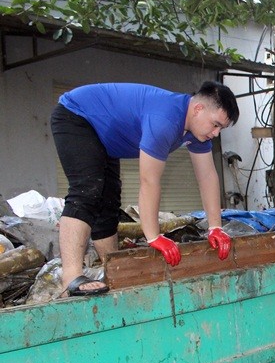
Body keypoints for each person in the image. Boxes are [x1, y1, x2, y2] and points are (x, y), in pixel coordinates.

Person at [52, 82, 238, 296]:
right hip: (77, 115)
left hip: (105, 135)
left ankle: (113, 269)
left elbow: (207, 176)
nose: (215, 133)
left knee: (109, 199)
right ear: (198, 109)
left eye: (220, 129)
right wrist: (153, 236)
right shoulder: (166, 119)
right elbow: (149, 181)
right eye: (215, 125)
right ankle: (72, 278)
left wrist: (216, 227)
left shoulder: (196, 131)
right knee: (87, 190)